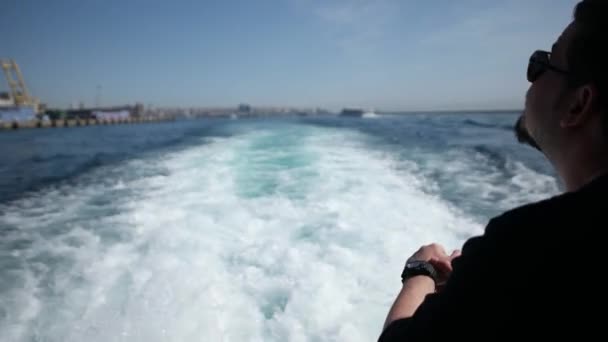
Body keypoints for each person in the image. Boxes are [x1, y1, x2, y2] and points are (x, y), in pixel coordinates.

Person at [379, 0, 607, 340]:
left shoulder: (528, 248)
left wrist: (420, 270)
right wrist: (476, 293)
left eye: (541, 64)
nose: (529, 77)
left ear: (578, 104)